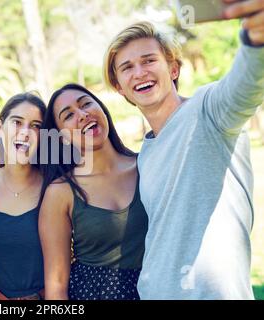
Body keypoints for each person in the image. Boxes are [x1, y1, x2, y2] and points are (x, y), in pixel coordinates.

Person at [103, 1, 264, 299]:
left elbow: (245, 87)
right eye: (127, 67)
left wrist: (255, 40)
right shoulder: (146, 153)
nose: (139, 72)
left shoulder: (208, 111)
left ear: (173, 68)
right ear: (120, 87)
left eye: (149, 60)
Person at [39, 83, 148, 300]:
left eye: (86, 104)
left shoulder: (147, 163)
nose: (82, 114)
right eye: (68, 115)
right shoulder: (61, 192)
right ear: (61, 138)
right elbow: (56, 285)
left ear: (102, 108)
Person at [0, 92, 46, 300]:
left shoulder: (53, 187)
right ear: (0, 127)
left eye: (36, 126)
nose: (25, 132)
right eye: (17, 122)